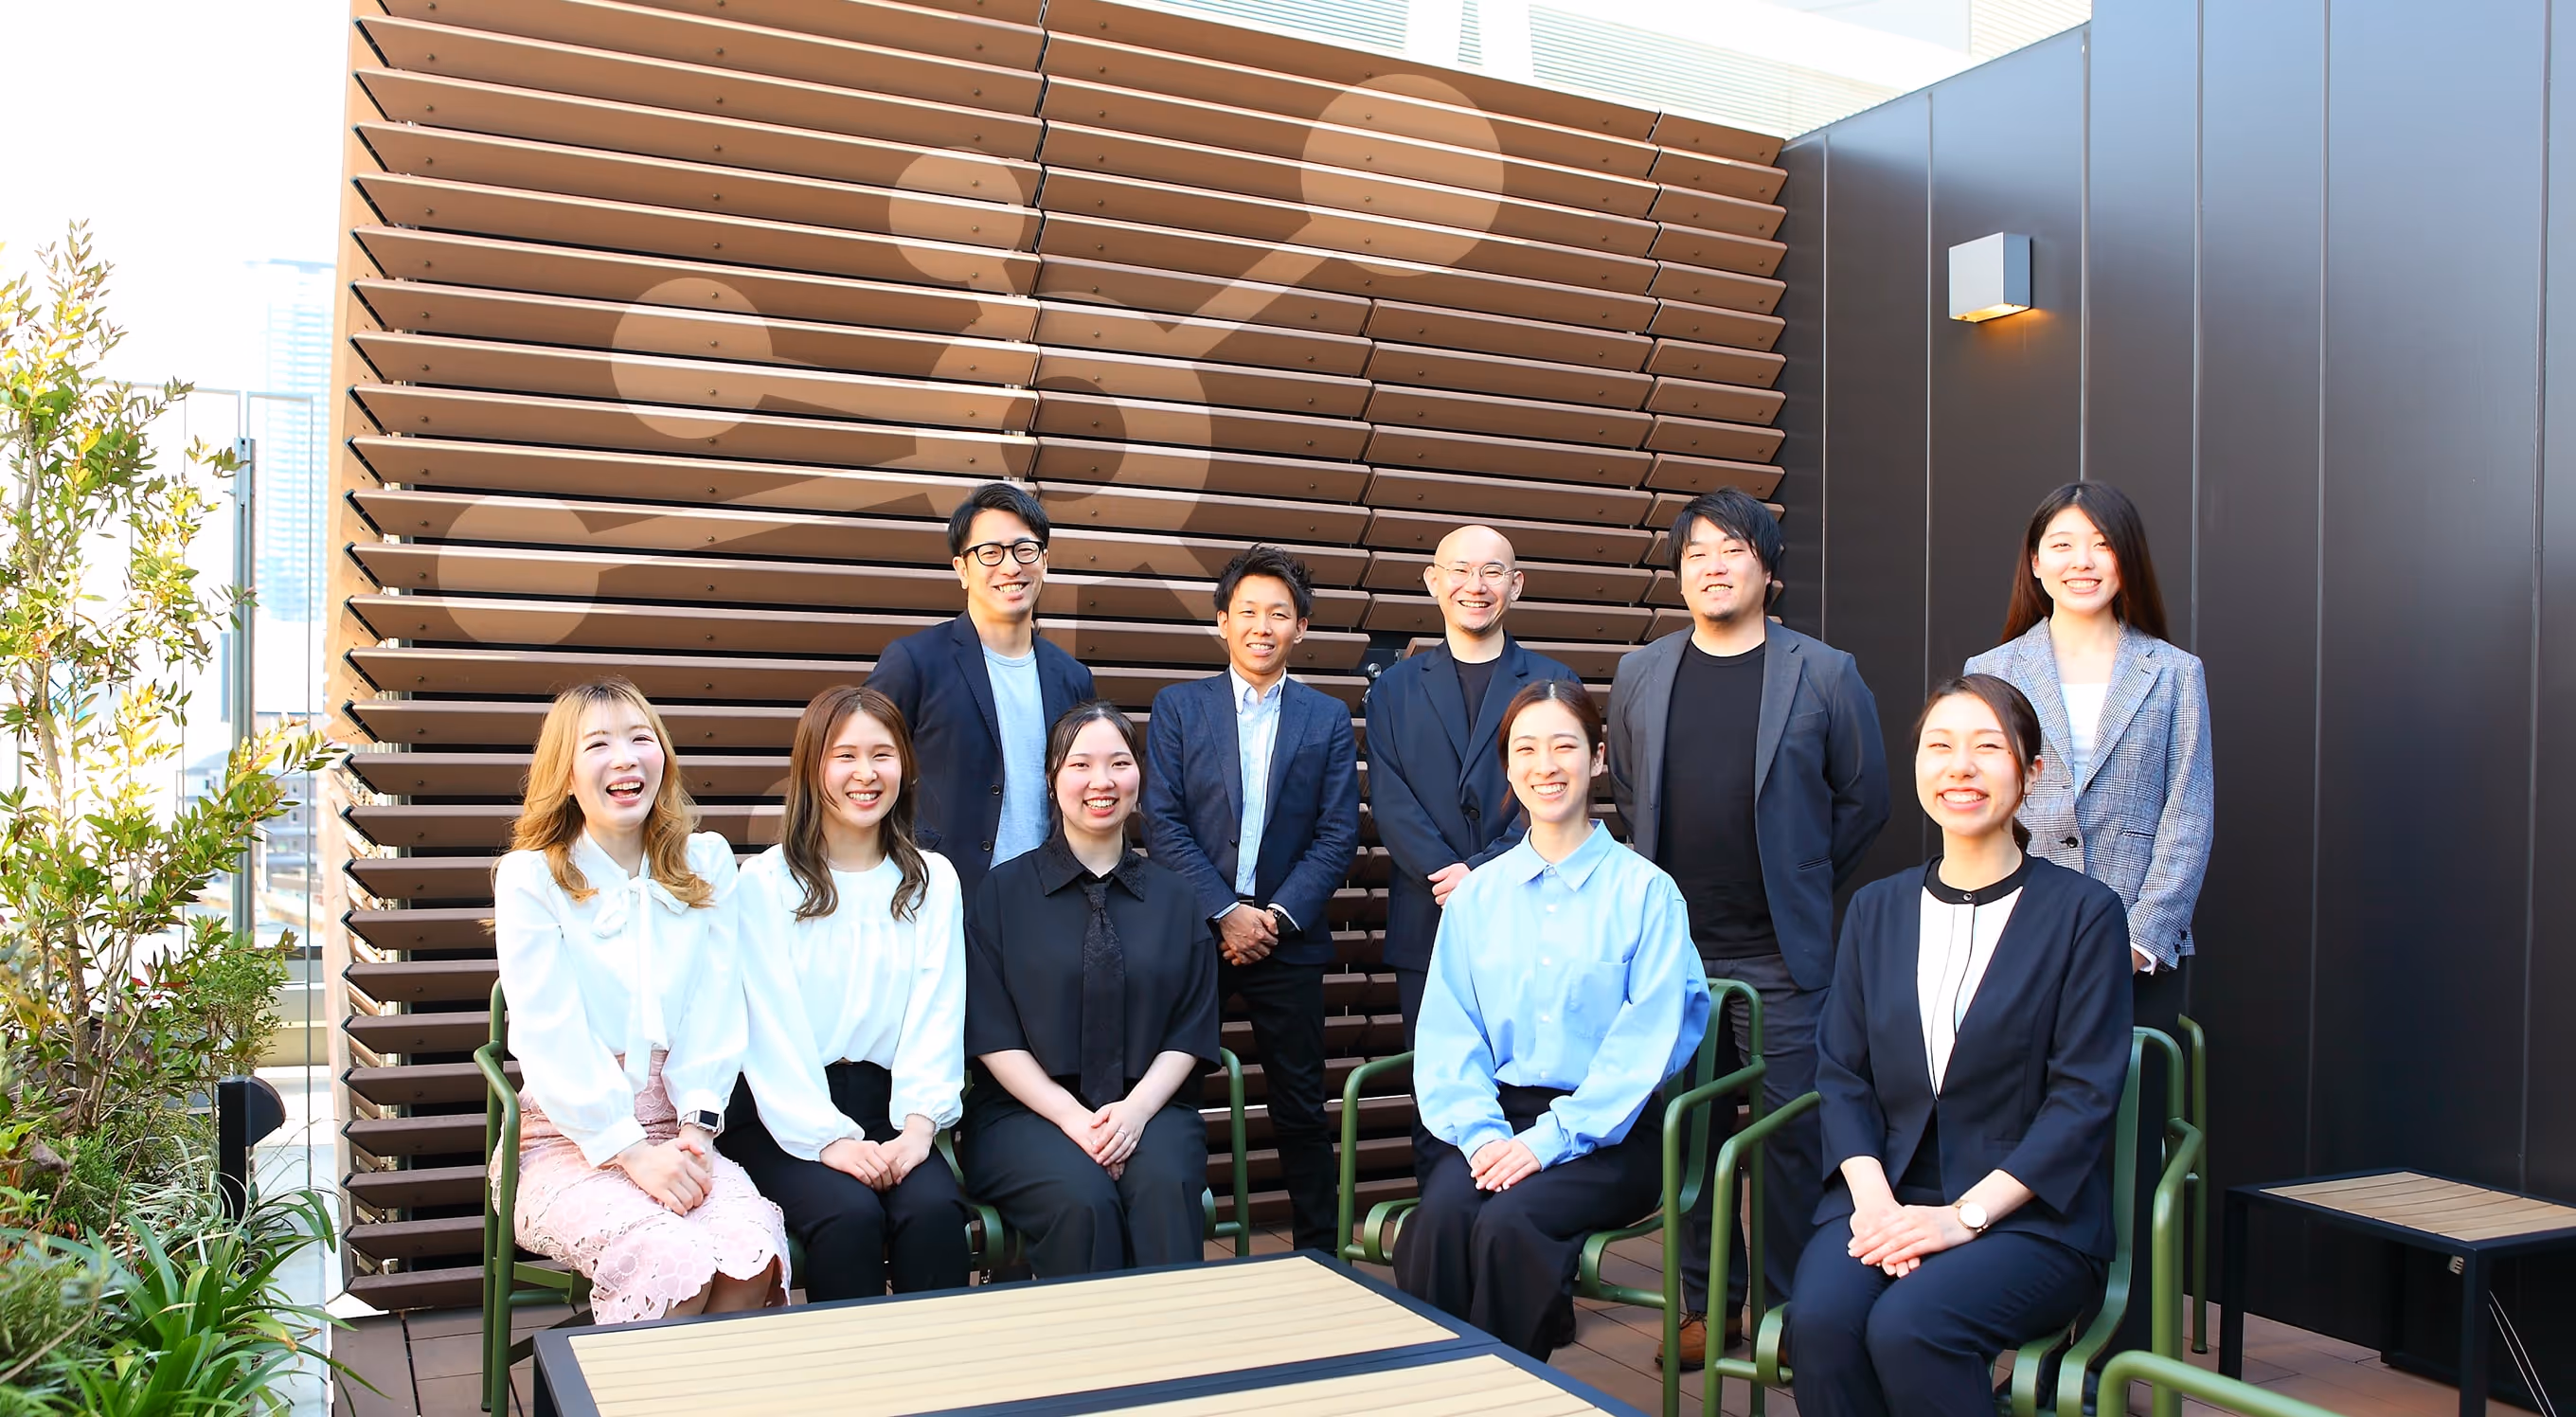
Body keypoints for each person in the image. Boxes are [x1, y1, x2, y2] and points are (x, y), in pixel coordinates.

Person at [1791, 674, 2132, 1417]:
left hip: (2027, 1217)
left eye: (1987, 748)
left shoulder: (2086, 915)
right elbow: (1842, 1073)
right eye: (1939, 747)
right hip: (1886, 1195)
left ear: (2031, 773)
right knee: (1820, 1323)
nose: (1961, 768)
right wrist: (1877, 1205)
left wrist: (1962, 1217)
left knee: (1914, 1327)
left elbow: (2083, 1100)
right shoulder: (1877, 909)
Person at [1605, 488, 1889, 1362]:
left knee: (1789, 1144)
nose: (1713, 567)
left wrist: (1797, 878)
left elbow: (1866, 798)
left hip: (1784, 955)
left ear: (1767, 566)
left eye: (1732, 549)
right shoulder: (1641, 673)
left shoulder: (1824, 671)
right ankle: (1703, 1304)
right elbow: (1625, 792)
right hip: (1675, 958)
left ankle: (1783, 1311)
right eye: (1696, 554)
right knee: (1687, 1134)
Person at [1963, 480, 2211, 1361]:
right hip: (2020, 943)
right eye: (2062, 545)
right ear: (2035, 562)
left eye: (2099, 544)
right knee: (2025, 1141)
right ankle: (2023, 1335)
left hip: (2137, 954)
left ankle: (2118, 1352)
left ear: (2126, 558)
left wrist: (2144, 933)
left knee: (2126, 1151)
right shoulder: (1992, 673)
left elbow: (2188, 814)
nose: (2080, 561)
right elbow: (1975, 805)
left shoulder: (2174, 674)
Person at [1399, 680, 1711, 1359]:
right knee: (1441, 1219)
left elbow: (1646, 1047)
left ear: (1597, 758)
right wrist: (1481, 1137)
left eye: (1565, 745)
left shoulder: (1646, 893)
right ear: (1508, 767)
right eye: (1527, 749)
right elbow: (1452, 1033)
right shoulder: (1479, 897)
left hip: (1612, 1131)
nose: (1547, 765)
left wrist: (1548, 1143)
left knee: (1511, 1223)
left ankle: (1506, 1392)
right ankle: (1434, 1392)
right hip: (1496, 1117)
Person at [492, 678, 788, 1325]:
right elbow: (550, 1035)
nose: (624, 758)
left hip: (680, 1131)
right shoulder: (531, 877)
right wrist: (628, 1150)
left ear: (664, 759)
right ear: (565, 773)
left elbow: (717, 1008)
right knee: (668, 1258)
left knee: (752, 1250)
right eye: (597, 744)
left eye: (640, 739)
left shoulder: (705, 861)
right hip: (567, 1139)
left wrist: (694, 1129)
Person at [1142, 546, 1360, 1256]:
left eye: (1279, 614)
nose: (1262, 626)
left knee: (1300, 1105)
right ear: (1221, 622)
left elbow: (1336, 833)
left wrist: (1273, 916)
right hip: (1196, 935)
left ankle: (1321, 1254)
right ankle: (1165, 1244)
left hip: (1287, 939)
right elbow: (1163, 822)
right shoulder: (1180, 707)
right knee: (1169, 1094)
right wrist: (1224, 911)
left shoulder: (1326, 718)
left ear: (1301, 628)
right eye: (1248, 612)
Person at [723, 685, 973, 1300]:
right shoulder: (763, 884)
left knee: (934, 1212)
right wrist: (826, 1138)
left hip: (895, 1105)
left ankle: (944, 1388)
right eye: (845, 756)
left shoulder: (932, 882)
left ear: (905, 767)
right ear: (813, 768)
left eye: (882, 755)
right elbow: (768, 1029)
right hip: (783, 1111)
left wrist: (918, 1129)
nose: (866, 774)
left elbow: (938, 1013)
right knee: (849, 1216)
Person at [960, 701, 1223, 1276]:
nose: (1101, 782)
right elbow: (992, 1032)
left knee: (1162, 1188)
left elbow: (1190, 1027)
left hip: (1150, 1105)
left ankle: (1174, 1359)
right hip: (1024, 1113)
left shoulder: (1177, 899)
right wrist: (1073, 1119)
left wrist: (1132, 1113)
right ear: (1053, 780)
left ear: (1138, 780)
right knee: (1083, 1200)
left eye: (1119, 763)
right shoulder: (1003, 894)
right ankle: (1086, 1361)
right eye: (1080, 765)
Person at [1363, 525, 1577, 1049]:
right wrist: (1449, 876)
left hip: (1530, 912)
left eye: (1492, 572)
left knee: (1528, 1086)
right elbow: (1391, 801)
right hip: (1426, 915)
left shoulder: (1552, 681)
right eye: (1459, 570)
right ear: (1433, 581)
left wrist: (1480, 875)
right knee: (1435, 1096)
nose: (1474, 585)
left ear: (1517, 584)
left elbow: (1556, 794)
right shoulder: (1394, 688)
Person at [869, 481, 1096, 904]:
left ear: (1044, 562)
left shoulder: (1072, 676)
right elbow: (862, 765)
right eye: (990, 552)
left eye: (1024, 550)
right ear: (961, 569)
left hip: (1050, 898)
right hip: (939, 896)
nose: (1010, 567)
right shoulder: (915, 662)